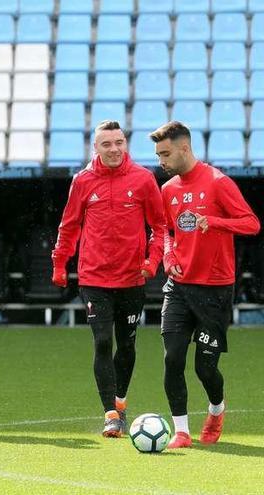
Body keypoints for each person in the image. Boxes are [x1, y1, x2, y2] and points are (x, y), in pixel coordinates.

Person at [51, 120, 168, 437]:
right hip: (94, 278)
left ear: (125, 144)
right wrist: (60, 263)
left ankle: (120, 400)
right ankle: (111, 414)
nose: (114, 149)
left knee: (127, 345)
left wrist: (152, 260)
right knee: (103, 342)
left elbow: (159, 228)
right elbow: (69, 225)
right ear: (96, 148)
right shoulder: (83, 181)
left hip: (132, 279)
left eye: (119, 142)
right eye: (107, 144)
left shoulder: (144, 179)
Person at [149, 121, 260, 448]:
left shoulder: (217, 183)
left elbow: (252, 224)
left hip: (214, 288)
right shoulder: (167, 190)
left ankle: (216, 408)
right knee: (173, 359)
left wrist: (215, 222)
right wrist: (168, 259)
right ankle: (181, 431)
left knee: (205, 367)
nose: (161, 161)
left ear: (185, 148)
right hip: (178, 289)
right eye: (158, 155)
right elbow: (166, 234)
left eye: (165, 153)